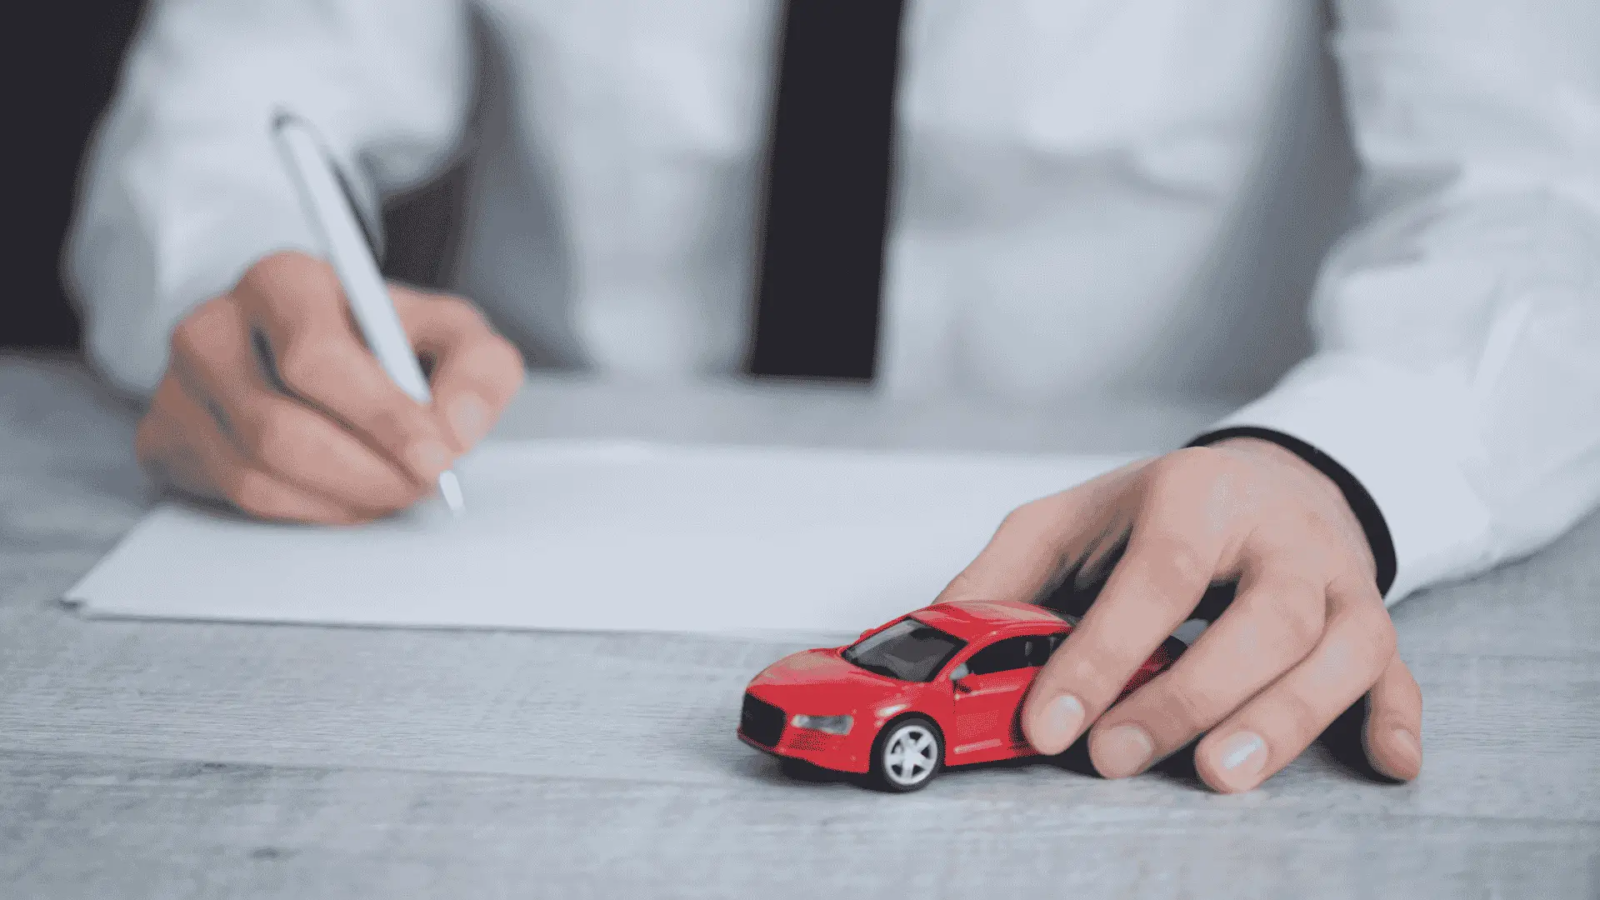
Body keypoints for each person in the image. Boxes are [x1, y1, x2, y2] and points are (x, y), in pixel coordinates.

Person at [65, 0, 1600, 794]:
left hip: (1143, 564)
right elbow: (232, 95)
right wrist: (228, 275)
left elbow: (1544, 197)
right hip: (493, 606)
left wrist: (1332, 462)